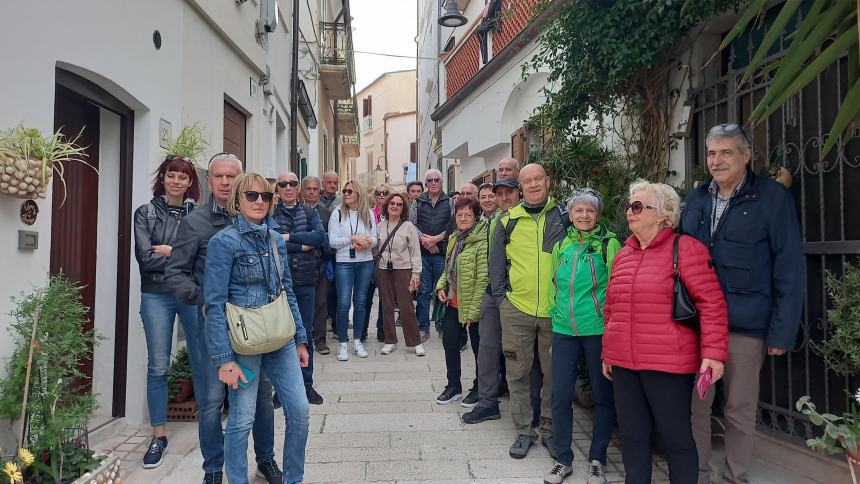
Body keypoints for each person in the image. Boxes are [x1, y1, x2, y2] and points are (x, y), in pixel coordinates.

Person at [682, 124, 804, 484]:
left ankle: (737, 477)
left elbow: (789, 267)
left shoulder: (771, 198)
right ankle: (698, 474)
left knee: (738, 409)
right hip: (699, 323)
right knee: (696, 405)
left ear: (746, 156)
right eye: (711, 153)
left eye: (725, 153)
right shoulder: (698, 197)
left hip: (745, 325)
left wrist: (781, 332)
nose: (716, 161)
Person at [165, 153, 282, 484]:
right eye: (219, 176)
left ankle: (266, 459)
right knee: (213, 398)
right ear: (209, 180)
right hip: (214, 328)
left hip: (256, 327)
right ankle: (213, 469)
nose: (226, 182)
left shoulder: (254, 215)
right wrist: (203, 301)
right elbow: (175, 273)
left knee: (260, 395)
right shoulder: (195, 223)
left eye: (233, 176)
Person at [602, 180, 729, 484]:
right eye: (629, 205)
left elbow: (712, 303)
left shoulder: (686, 249)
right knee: (632, 437)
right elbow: (611, 309)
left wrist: (713, 354)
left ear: (662, 214)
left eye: (637, 206)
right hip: (624, 364)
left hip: (668, 365)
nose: (629, 212)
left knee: (676, 439)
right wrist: (608, 353)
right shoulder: (623, 255)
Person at [203, 172, 310, 484]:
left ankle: (294, 478)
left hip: (280, 339)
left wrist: (301, 340)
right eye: (252, 195)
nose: (260, 201)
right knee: (241, 419)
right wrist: (223, 360)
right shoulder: (223, 242)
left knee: (300, 411)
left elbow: (286, 291)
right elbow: (214, 304)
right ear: (238, 199)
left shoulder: (275, 239)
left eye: (266, 195)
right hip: (244, 346)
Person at [488, 163, 568, 459]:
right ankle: (524, 431)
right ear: (520, 187)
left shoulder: (563, 217)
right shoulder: (507, 221)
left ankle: (548, 430)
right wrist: (503, 302)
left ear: (548, 181)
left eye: (538, 179)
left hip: (554, 312)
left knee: (553, 375)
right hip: (516, 309)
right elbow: (495, 268)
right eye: (528, 181)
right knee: (517, 375)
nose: (534, 185)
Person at [543, 189, 621, 484]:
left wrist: (610, 326)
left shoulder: (608, 244)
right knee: (560, 394)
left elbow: (616, 286)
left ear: (598, 215)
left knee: (602, 395)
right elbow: (553, 285)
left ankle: (598, 457)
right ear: (571, 214)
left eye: (590, 211)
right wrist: (555, 318)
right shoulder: (562, 244)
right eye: (579, 211)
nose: (584, 216)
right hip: (564, 330)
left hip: (597, 331)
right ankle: (563, 458)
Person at [133, 155, 201, 469]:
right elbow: (146, 258)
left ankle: (209, 429)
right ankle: (159, 435)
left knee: (202, 359)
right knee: (158, 365)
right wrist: (181, 255)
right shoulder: (145, 213)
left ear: (190, 183)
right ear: (163, 178)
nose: (176, 181)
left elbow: (202, 255)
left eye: (182, 177)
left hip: (188, 294)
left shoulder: (196, 214)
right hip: (156, 295)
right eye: (171, 175)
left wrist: (170, 251)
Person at [462, 176, 520, 425]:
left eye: (510, 192)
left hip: (518, 295)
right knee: (486, 350)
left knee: (519, 354)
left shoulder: (524, 219)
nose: (504, 198)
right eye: (500, 194)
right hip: (492, 293)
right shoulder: (493, 221)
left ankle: (527, 409)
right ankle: (487, 403)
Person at [272, 171, 327, 405]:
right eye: (283, 184)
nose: (287, 188)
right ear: (278, 189)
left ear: (298, 188)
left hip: (306, 280)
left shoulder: (310, 212)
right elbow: (271, 239)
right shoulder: (270, 213)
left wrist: (288, 237)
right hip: (279, 283)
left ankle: (307, 385)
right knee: (278, 337)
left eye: (292, 184)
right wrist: (300, 245)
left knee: (304, 332)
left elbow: (319, 238)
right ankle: (280, 390)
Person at [435, 198, 488, 405]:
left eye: (468, 214)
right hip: (452, 301)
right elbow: (447, 269)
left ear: (476, 217)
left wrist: (473, 313)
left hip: (472, 305)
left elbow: (483, 278)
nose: (463, 218)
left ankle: (479, 387)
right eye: (459, 215)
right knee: (449, 343)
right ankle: (453, 386)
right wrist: (441, 286)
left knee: (478, 349)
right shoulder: (454, 238)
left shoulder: (481, 240)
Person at [329, 179, 378, 361]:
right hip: (344, 263)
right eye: (345, 191)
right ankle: (342, 343)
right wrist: (352, 238)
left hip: (365, 261)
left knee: (360, 302)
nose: (346, 194)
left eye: (350, 191)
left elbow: (375, 239)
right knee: (343, 303)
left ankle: (357, 341)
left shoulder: (369, 214)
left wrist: (366, 242)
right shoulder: (338, 214)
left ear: (359, 193)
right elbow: (332, 242)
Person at [375, 192, 425, 356]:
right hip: (384, 269)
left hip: (404, 270)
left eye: (399, 204)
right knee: (387, 306)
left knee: (406, 307)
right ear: (387, 206)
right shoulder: (380, 226)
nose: (395, 206)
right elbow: (376, 248)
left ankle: (415, 342)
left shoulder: (408, 227)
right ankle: (390, 341)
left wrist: (416, 273)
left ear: (403, 208)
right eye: (392, 204)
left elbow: (415, 252)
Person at [411, 169, 455, 342]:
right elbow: (411, 224)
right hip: (422, 253)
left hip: (442, 253)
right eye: (430, 180)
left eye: (437, 179)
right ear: (426, 183)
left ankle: (442, 326)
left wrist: (436, 240)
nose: (434, 183)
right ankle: (423, 328)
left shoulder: (450, 201)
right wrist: (424, 241)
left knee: (441, 290)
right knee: (423, 291)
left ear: (442, 182)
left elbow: (453, 226)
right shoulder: (418, 202)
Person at [302, 176, 334, 356]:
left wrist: (318, 245)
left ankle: (320, 340)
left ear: (319, 191)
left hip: (320, 263)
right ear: (303, 190)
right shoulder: (296, 211)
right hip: (299, 265)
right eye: (308, 189)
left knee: (321, 302)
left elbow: (329, 241)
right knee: (302, 303)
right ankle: (303, 338)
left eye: (315, 189)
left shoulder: (327, 214)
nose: (312, 192)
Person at [363, 183, 392, 342]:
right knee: (366, 296)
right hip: (369, 258)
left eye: (385, 192)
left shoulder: (393, 213)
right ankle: (363, 330)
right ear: (374, 196)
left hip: (387, 260)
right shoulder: (367, 213)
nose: (382, 195)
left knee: (385, 298)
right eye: (378, 193)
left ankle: (382, 330)